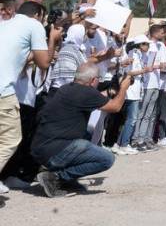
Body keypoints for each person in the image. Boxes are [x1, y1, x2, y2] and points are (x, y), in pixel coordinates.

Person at [32, 63, 132, 197]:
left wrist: (110, 91)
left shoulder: (66, 88)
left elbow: (94, 97)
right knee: (107, 159)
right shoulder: (86, 93)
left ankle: (67, 179)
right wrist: (124, 88)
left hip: (42, 148)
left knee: (87, 134)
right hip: (55, 150)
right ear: (93, 80)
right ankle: (56, 177)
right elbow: (115, 107)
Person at [0, 1, 59, 195]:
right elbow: (43, 63)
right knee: (10, 139)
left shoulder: (5, 23)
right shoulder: (34, 25)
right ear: (37, 16)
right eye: (43, 18)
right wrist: (52, 39)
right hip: (4, 91)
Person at [132, 24, 166, 151]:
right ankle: (137, 138)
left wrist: (163, 66)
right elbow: (145, 64)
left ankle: (147, 137)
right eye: (162, 33)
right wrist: (157, 65)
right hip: (147, 83)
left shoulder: (161, 46)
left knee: (151, 113)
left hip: (156, 83)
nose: (163, 35)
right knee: (142, 112)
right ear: (155, 33)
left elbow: (162, 63)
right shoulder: (147, 44)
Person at [115, 36, 150, 155]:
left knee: (129, 119)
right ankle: (123, 144)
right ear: (140, 44)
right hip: (131, 90)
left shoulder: (139, 55)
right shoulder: (132, 54)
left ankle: (121, 143)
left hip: (136, 90)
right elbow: (128, 72)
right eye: (146, 44)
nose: (148, 46)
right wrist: (144, 71)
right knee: (132, 118)